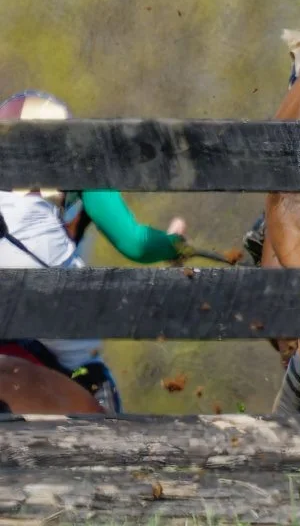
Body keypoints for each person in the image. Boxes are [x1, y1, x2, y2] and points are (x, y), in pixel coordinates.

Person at [0, 91, 187, 412]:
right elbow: (136, 243)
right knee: (85, 358)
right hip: (41, 277)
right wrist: (175, 244)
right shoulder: (81, 166)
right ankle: (105, 442)